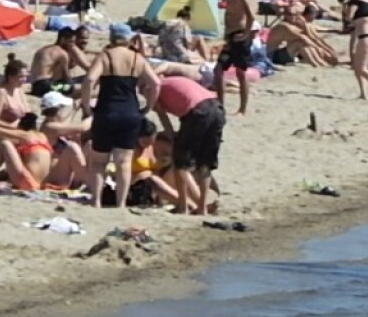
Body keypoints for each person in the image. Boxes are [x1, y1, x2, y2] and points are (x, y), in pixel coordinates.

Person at [82, 23, 160, 208]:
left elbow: (90, 79)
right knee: (124, 162)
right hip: (130, 112)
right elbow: (155, 83)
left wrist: (86, 105)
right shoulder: (136, 58)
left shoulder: (105, 56)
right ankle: (121, 203)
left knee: (99, 162)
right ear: (128, 39)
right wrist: (149, 105)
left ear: (111, 37)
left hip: (106, 110)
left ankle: (96, 201)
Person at [154, 74, 225, 216]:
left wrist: (172, 137)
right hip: (217, 109)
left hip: (197, 112)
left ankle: (183, 206)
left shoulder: (153, 87)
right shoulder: (171, 81)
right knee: (205, 163)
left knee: (181, 162)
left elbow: (162, 115)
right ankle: (202, 208)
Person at [0, 56, 32, 188]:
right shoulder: (0, 92)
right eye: (21, 76)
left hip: (19, 131)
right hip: (3, 131)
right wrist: (12, 128)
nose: (24, 80)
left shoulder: (19, 91)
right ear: (10, 76)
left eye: (25, 76)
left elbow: (27, 112)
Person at [215, 0, 255, 116]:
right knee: (218, 70)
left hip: (240, 35)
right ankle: (220, 105)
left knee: (241, 72)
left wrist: (246, 34)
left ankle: (242, 109)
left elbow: (250, 15)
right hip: (230, 36)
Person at [0, 112, 53, 191]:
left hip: (28, 182)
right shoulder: (43, 136)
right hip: (42, 183)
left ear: (20, 125)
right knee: (3, 172)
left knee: (4, 144)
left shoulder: (25, 135)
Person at [30, 27, 92, 97]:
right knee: (74, 89)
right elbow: (66, 77)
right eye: (71, 42)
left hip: (34, 86)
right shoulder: (62, 53)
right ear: (62, 40)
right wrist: (71, 87)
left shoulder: (43, 49)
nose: (72, 45)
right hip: (45, 86)